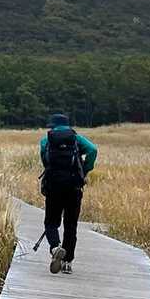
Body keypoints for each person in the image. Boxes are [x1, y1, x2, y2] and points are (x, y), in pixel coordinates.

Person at [39, 113, 98, 274]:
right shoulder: (77, 139)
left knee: (51, 222)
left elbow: (45, 161)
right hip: (74, 187)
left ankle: (55, 247)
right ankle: (67, 262)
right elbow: (93, 150)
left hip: (53, 187)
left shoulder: (46, 140)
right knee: (71, 225)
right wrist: (84, 170)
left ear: (52, 126)